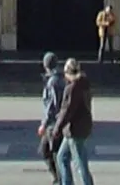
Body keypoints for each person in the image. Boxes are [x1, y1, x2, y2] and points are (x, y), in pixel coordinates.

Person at [52, 57, 95, 185]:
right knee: (62, 157)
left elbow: (67, 111)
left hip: (74, 129)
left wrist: (57, 129)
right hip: (80, 127)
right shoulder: (84, 84)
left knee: (80, 164)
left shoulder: (72, 88)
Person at [36, 52, 66, 182]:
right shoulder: (59, 79)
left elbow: (52, 106)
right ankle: (59, 178)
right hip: (57, 122)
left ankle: (60, 179)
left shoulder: (53, 82)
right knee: (50, 152)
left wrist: (44, 123)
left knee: (50, 152)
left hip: (53, 124)